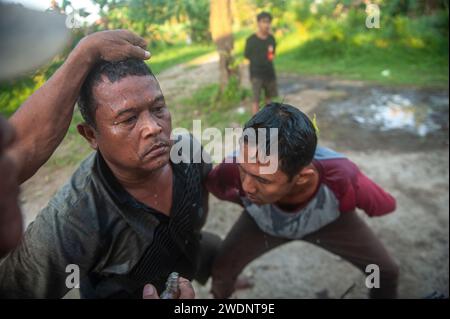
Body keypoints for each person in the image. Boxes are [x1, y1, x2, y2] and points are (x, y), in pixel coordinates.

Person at [0, 3, 195, 299]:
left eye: (158, 109)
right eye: (128, 119)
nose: (153, 128)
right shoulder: (72, 223)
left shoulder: (187, 151)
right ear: (91, 134)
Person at [207, 103, 400, 299]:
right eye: (243, 170)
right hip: (262, 223)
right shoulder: (231, 169)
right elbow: (217, 186)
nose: (247, 187)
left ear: (302, 177)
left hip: (328, 223)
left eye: (262, 179)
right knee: (222, 269)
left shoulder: (342, 178)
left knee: (385, 271)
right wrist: (253, 197)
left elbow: (385, 205)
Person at [244, 12, 278, 115]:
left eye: (268, 22)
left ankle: (269, 121)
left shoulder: (271, 39)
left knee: (269, 99)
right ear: (258, 23)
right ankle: (255, 125)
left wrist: (269, 58)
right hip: (256, 74)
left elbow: (272, 55)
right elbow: (247, 55)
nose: (267, 25)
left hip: (269, 73)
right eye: (264, 22)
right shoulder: (251, 40)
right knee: (256, 100)